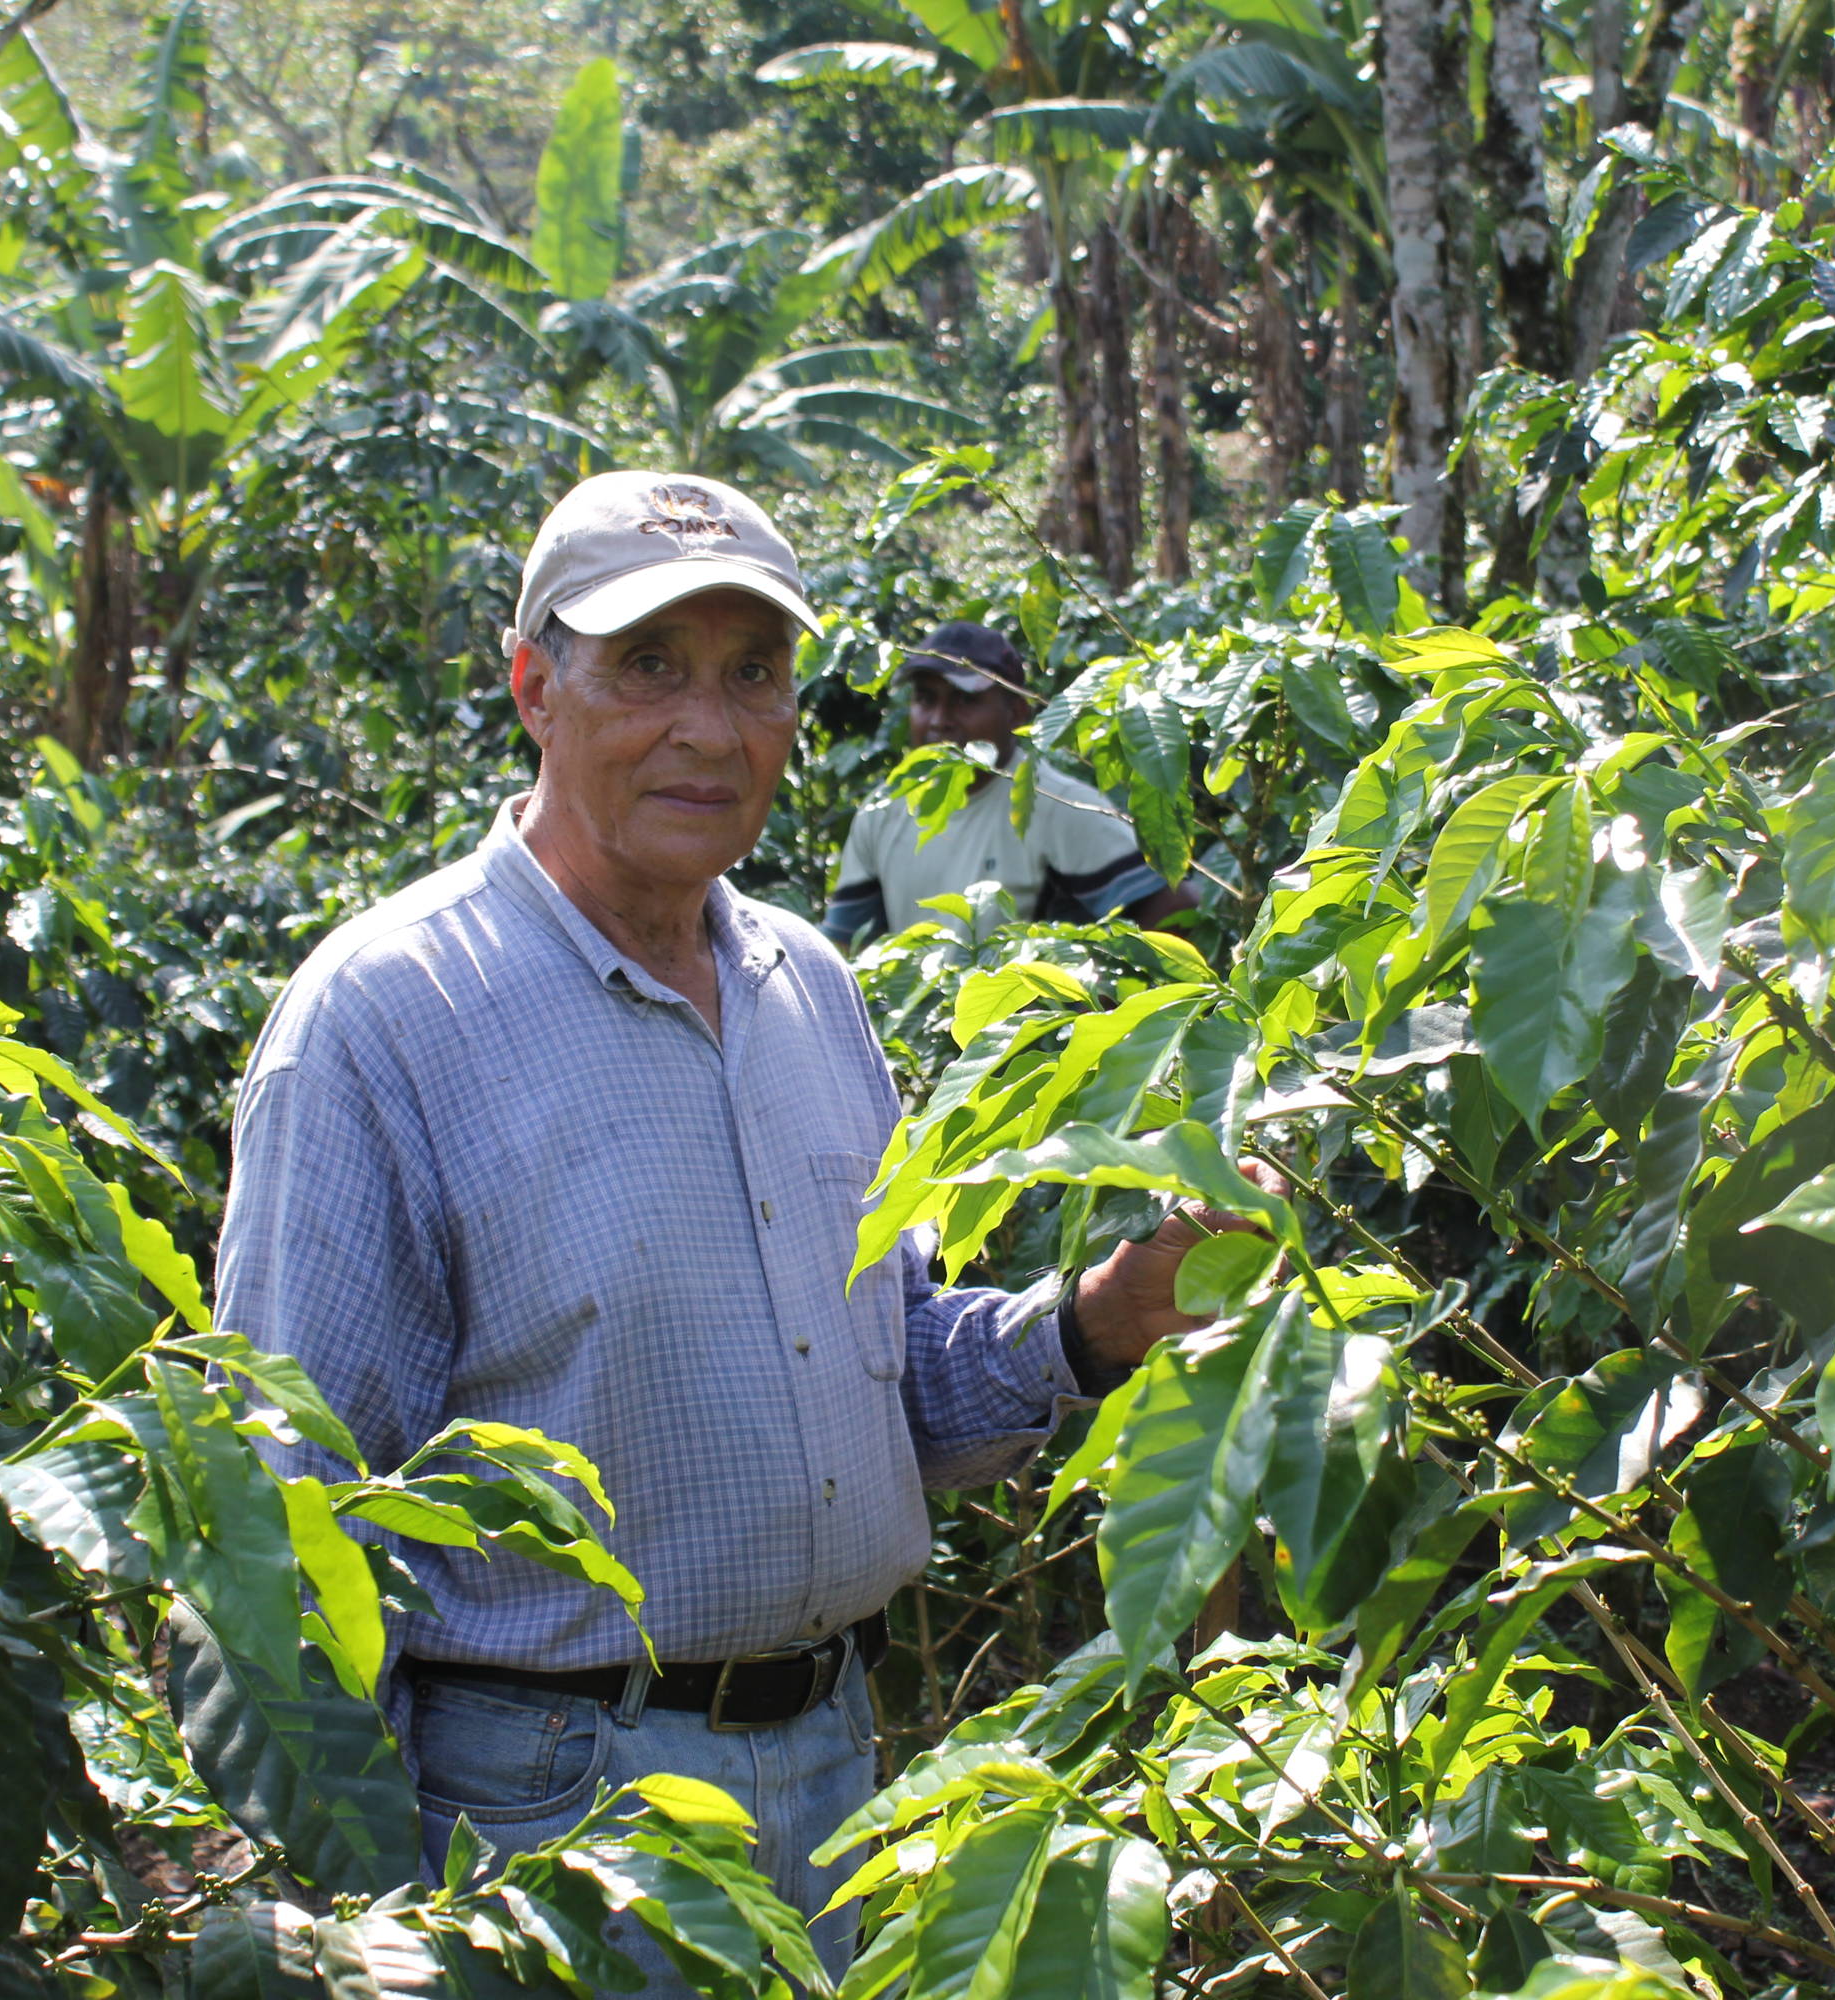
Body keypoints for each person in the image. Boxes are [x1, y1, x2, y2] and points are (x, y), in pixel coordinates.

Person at [213, 472, 1249, 1988]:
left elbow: (885, 1372)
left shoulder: (808, 986)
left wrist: (1098, 1319)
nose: (710, 726)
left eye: (753, 674)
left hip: (837, 1774)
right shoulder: (386, 1020)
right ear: (534, 690)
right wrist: (366, 1933)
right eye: (650, 667)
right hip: (543, 1812)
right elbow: (285, 1525)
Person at [820, 621, 1199, 949]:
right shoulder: (882, 810)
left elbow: (1174, 903)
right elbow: (846, 940)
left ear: (1016, 712)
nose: (939, 720)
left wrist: (1099, 1011)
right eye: (925, 699)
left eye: (963, 700)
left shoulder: (1056, 804)